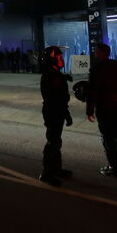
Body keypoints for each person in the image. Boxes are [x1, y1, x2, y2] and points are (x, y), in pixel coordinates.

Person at [86, 43, 117, 177]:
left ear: (100, 53)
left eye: (96, 51)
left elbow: (92, 91)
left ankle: (113, 166)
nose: (95, 53)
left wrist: (89, 110)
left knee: (107, 137)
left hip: (104, 107)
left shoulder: (97, 69)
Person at [39, 46, 73, 186]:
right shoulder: (50, 75)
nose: (62, 59)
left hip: (57, 111)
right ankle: (47, 173)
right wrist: (66, 113)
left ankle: (56, 169)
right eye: (58, 57)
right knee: (52, 142)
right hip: (53, 112)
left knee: (56, 141)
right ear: (51, 59)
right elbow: (55, 97)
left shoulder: (54, 73)